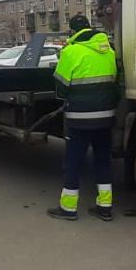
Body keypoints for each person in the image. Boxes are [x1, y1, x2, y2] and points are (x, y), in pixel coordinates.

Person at [48, 14, 118, 222]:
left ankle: (68, 209)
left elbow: (60, 87)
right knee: (103, 161)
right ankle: (105, 207)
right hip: (106, 116)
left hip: (79, 117)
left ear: (72, 31)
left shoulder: (70, 51)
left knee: (73, 162)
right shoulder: (109, 50)